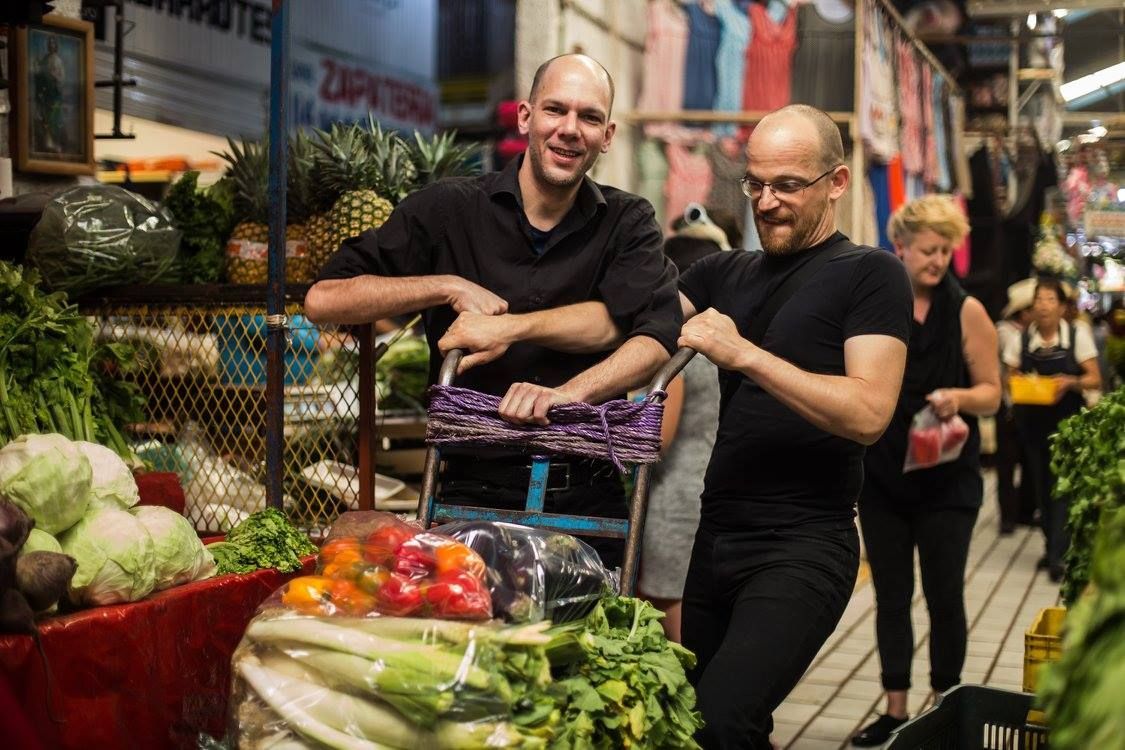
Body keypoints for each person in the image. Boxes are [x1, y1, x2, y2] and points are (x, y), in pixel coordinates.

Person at [304, 54, 681, 568]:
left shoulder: (627, 223)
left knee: (587, 642)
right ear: (525, 117)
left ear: (608, 134)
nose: (570, 130)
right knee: (462, 637)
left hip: (588, 491)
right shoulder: (448, 210)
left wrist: (560, 397)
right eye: (556, 110)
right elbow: (323, 299)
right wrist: (447, 285)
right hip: (466, 488)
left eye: (589, 117)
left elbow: (654, 335)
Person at [675, 104, 913, 749]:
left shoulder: (871, 274)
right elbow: (629, 327)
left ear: (836, 182)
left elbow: (868, 413)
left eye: (788, 185)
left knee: (724, 718)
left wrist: (745, 353)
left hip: (803, 543)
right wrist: (512, 326)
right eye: (756, 184)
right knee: (697, 725)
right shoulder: (723, 273)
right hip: (716, 538)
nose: (767, 202)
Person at [850, 196, 1000, 747]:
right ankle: (894, 709)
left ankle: (945, 707)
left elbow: (992, 393)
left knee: (944, 596)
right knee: (891, 596)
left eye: (946, 251)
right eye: (928, 250)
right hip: (884, 476)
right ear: (901, 248)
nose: (938, 261)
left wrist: (958, 396)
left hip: (947, 483)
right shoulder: (875, 305)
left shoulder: (968, 311)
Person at [638, 233, 725, 644]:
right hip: (708, 488)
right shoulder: (726, 347)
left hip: (672, 499)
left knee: (668, 605)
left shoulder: (680, 353)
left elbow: (657, 440)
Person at [1002, 278, 1101, 582]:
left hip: (1066, 426)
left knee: (1061, 489)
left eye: (1050, 300)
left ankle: (1059, 554)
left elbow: (1094, 378)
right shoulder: (1021, 339)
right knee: (1040, 488)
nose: (1043, 306)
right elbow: (1010, 374)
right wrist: (1026, 382)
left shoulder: (1076, 335)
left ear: (1062, 307)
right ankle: (1051, 546)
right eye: (1039, 300)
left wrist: (1069, 382)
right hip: (1032, 426)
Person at [994, 278, 1037, 534]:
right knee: (1006, 464)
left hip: (1030, 407)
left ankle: (1025, 511)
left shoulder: (1033, 334)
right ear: (1024, 311)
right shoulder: (1005, 332)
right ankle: (1007, 516)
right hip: (1008, 406)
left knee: (1030, 463)